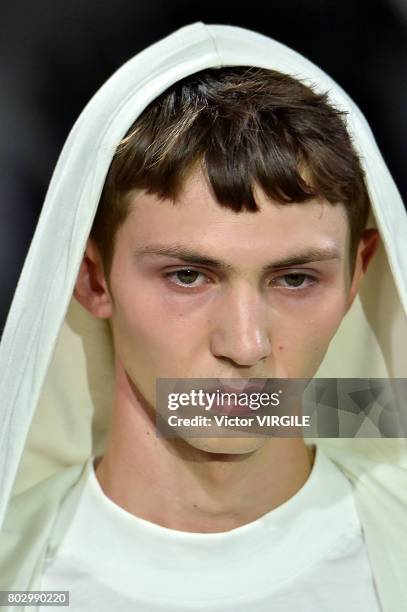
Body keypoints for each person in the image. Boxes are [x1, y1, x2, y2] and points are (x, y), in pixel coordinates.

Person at [0, 22, 406, 612]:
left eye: (296, 279)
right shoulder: (15, 571)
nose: (245, 345)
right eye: (187, 276)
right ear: (92, 279)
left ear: (357, 274)